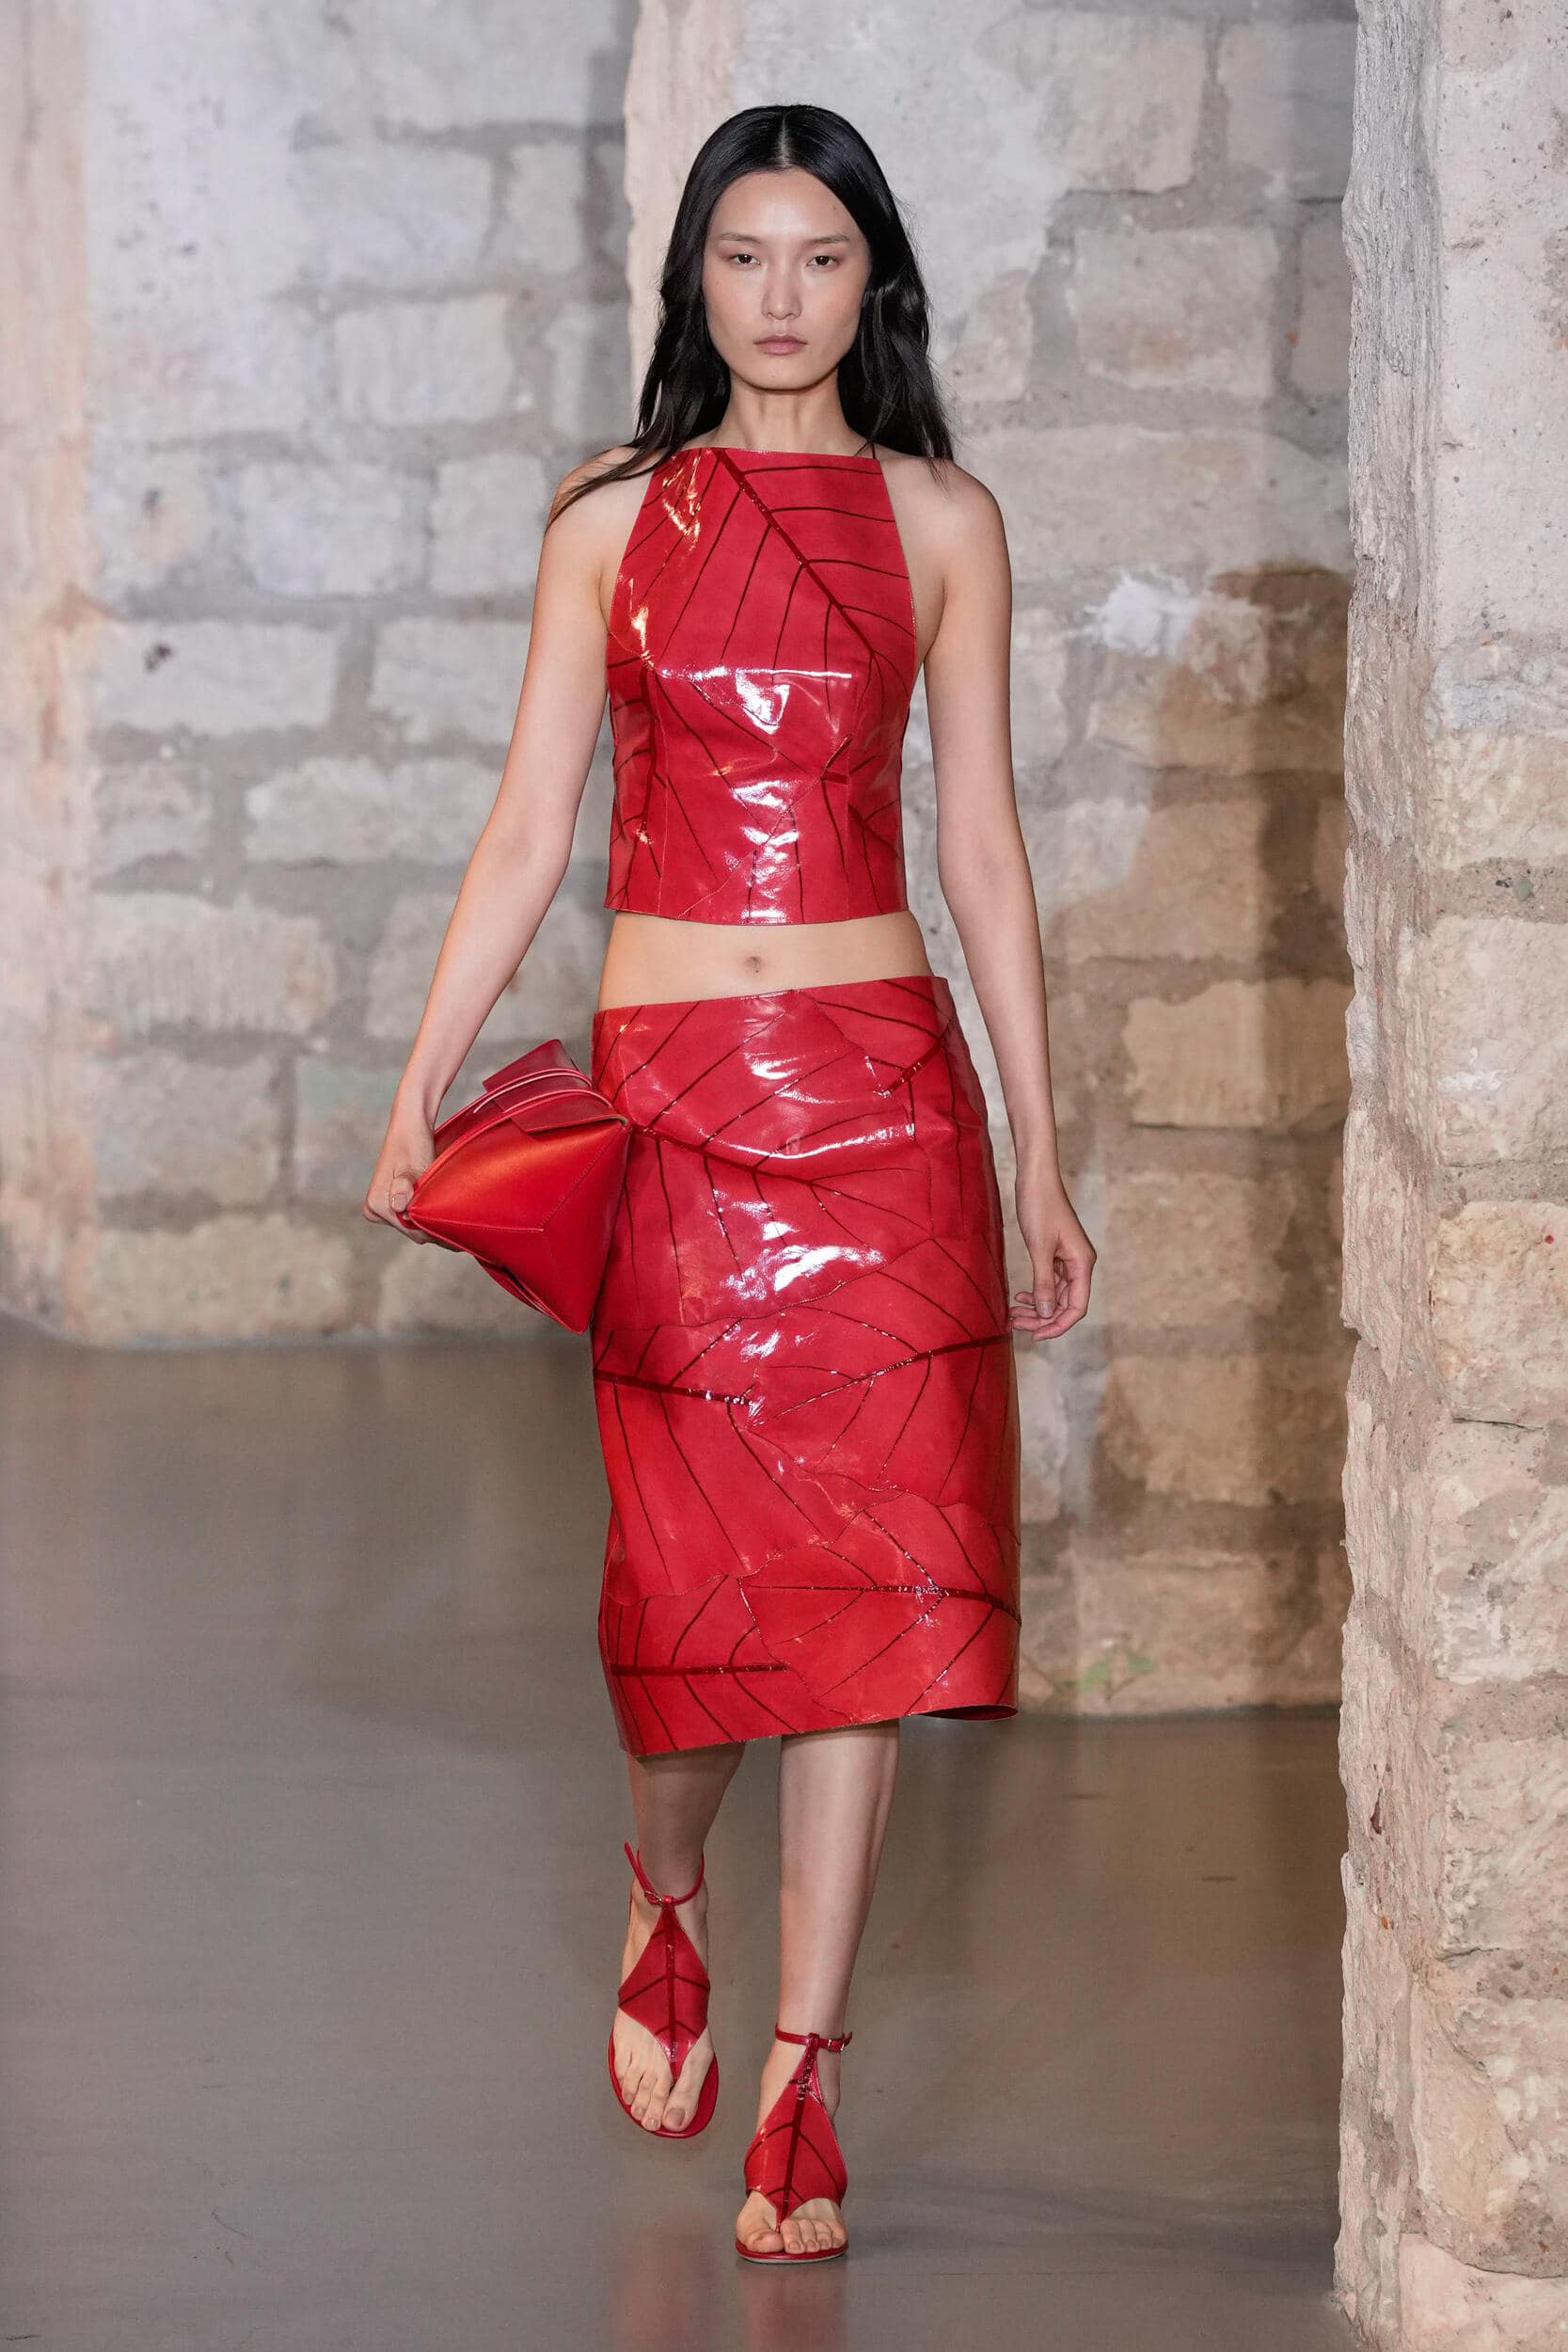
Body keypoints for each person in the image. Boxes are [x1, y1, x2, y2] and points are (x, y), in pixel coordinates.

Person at [363, 101, 1094, 2265]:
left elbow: (982, 847)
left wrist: (1042, 1148)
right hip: (680, 1105)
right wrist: (420, 1078)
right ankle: (667, 1880)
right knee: (690, 1598)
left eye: (822, 257)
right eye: (746, 256)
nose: (783, 296)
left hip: (883, 1102)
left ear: (877, 282)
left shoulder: (944, 519)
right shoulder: (612, 521)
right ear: (696, 278)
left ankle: (806, 2063)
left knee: (865, 1601)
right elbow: (530, 826)